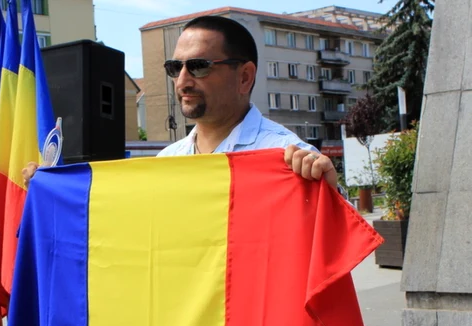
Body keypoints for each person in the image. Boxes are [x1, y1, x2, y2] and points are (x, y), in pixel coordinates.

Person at [22, 15, 342, 196]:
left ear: (245, 77)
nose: (182, 82)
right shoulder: (167, 161)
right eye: (176, 68)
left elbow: (333, 253)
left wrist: (328, 192)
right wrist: (54, 192)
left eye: (199, 66)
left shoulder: (289, 159)